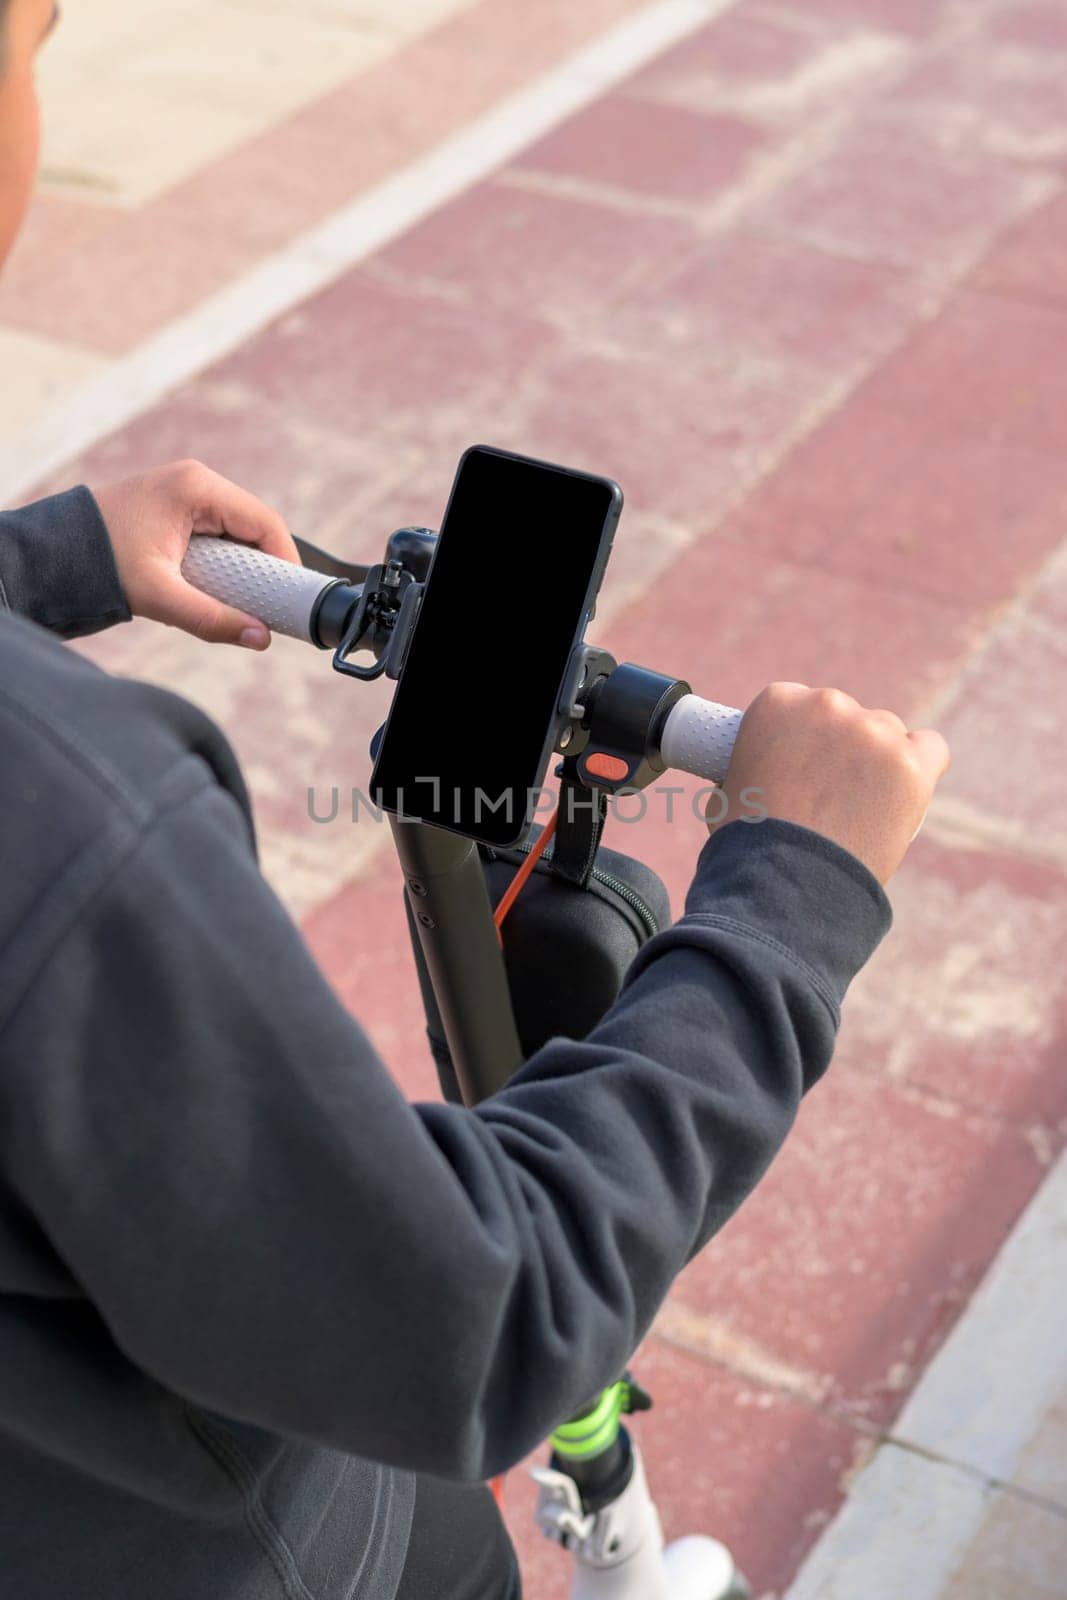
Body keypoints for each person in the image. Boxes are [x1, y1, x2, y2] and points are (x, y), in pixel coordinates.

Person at [0, 2, 950, 1596]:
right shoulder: (75, 826)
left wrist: (49, 559)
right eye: (31, 39)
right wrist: (795, 894)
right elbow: (471, 1322)